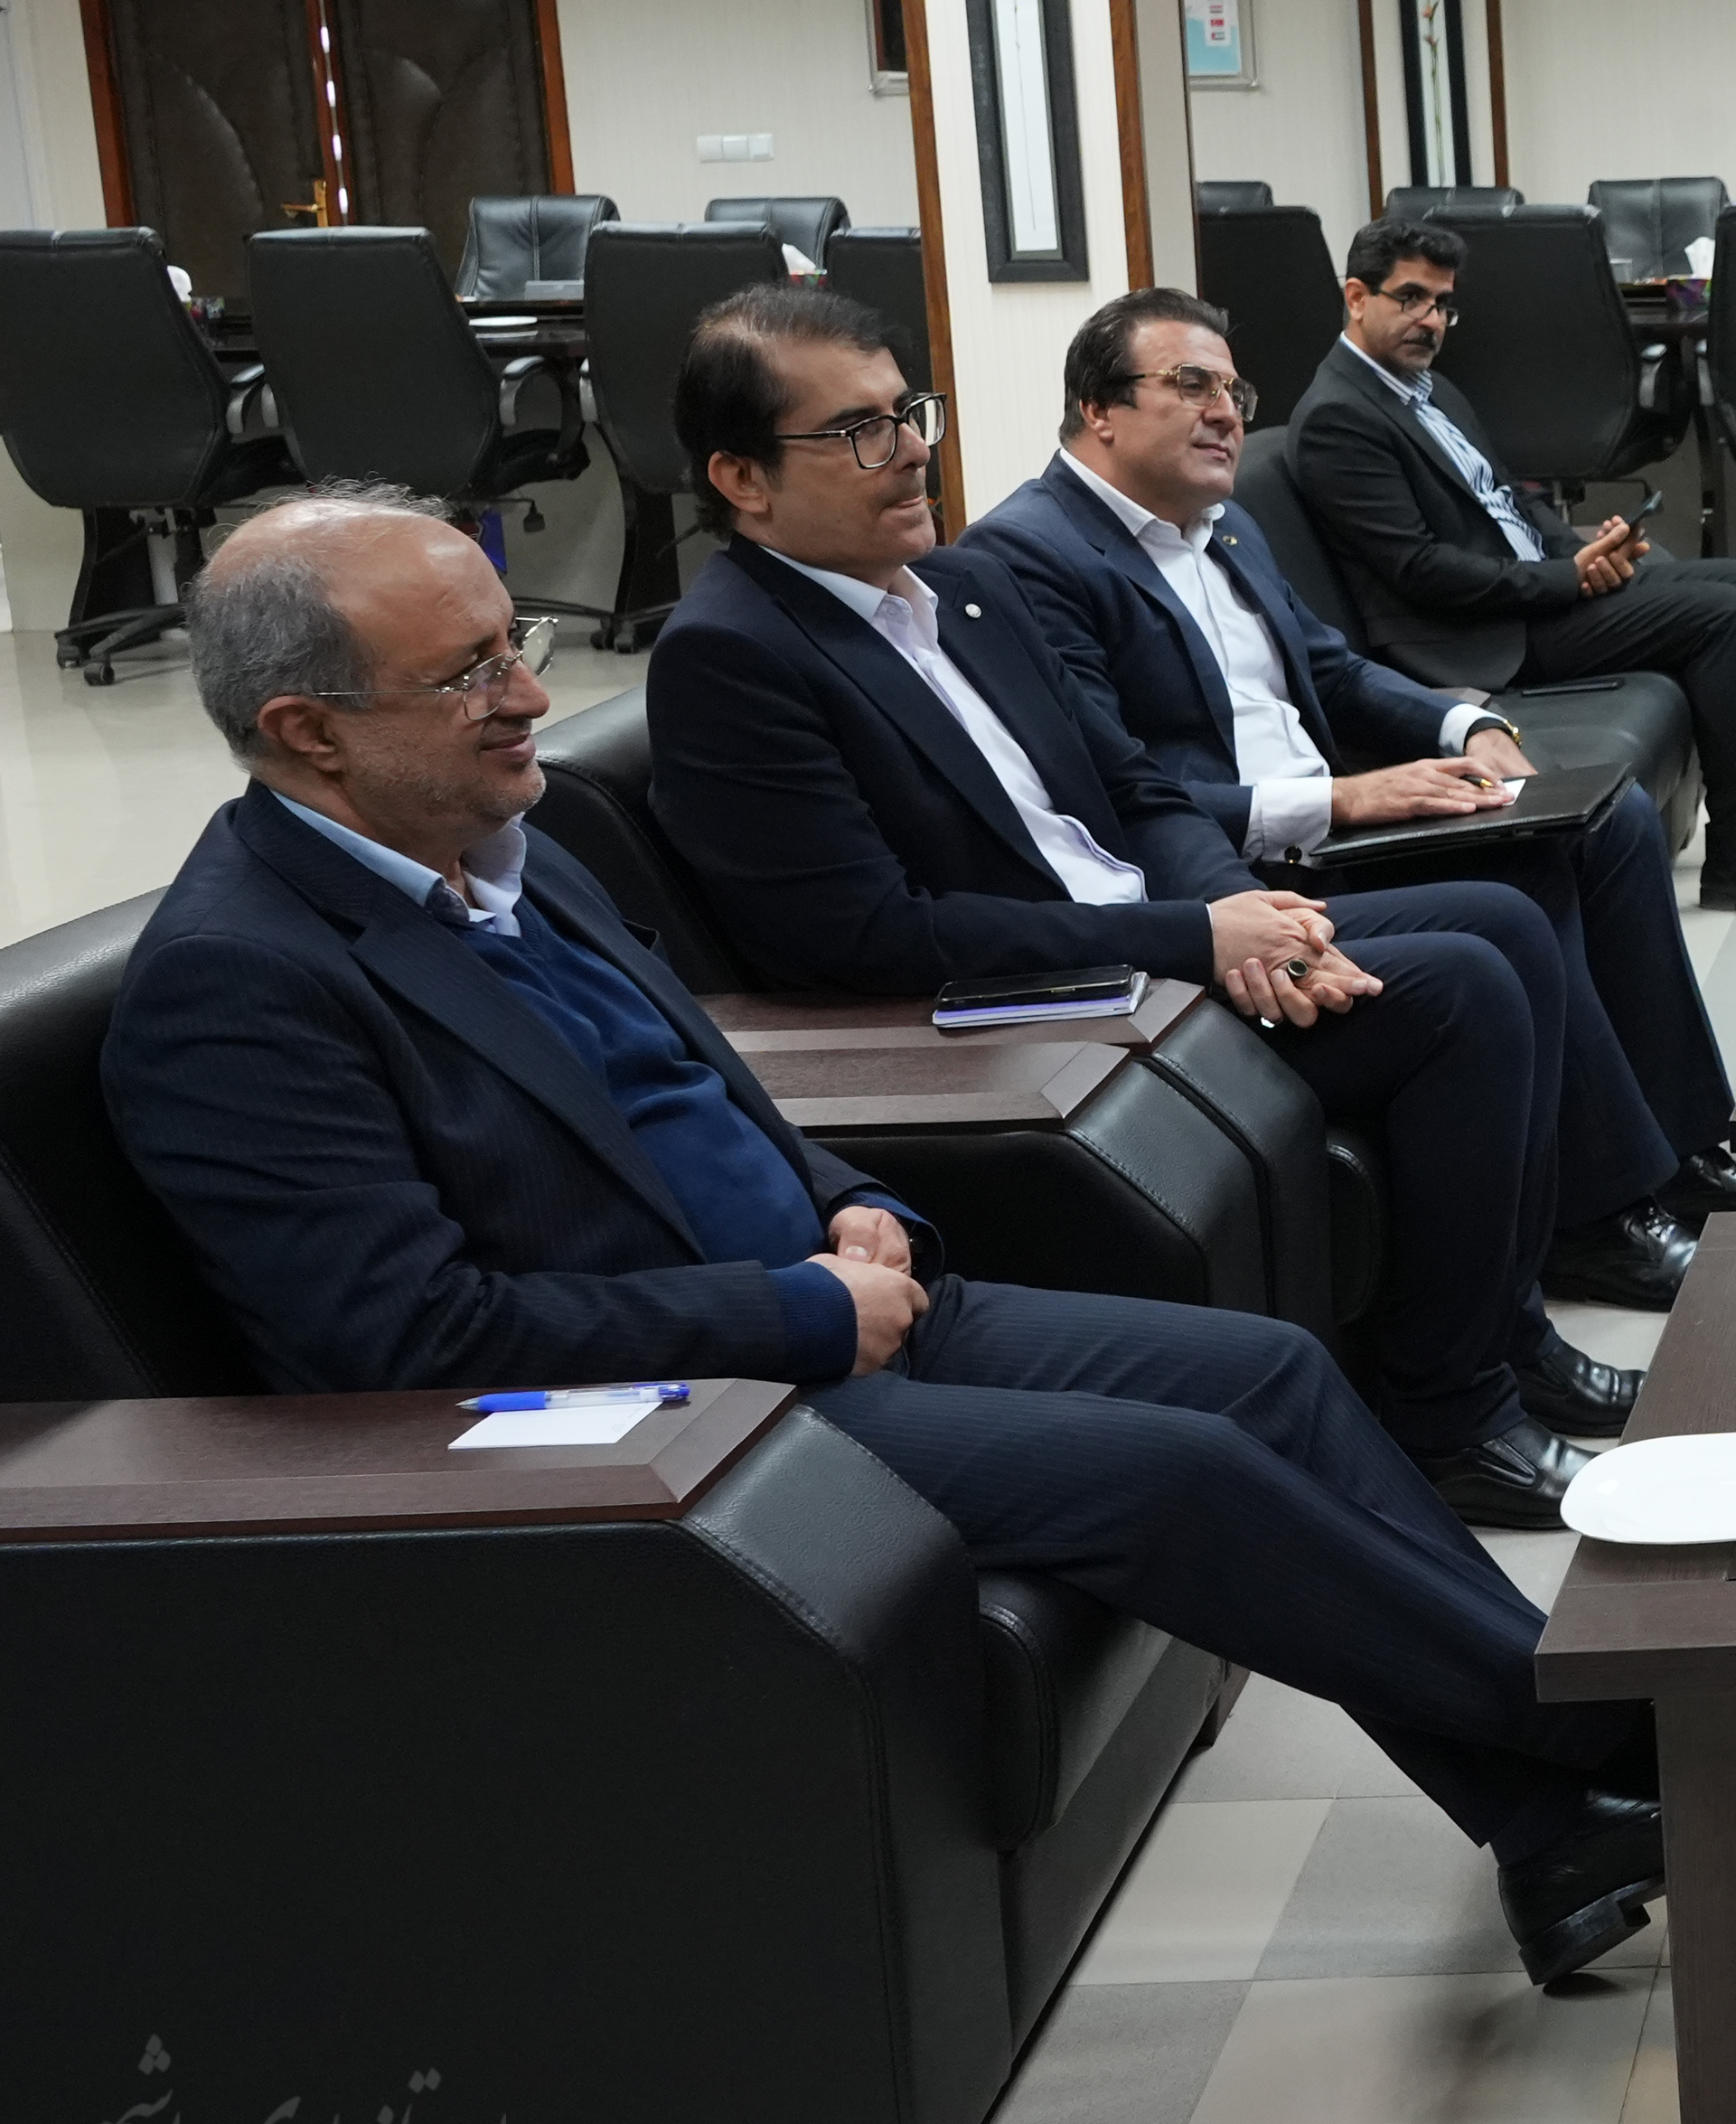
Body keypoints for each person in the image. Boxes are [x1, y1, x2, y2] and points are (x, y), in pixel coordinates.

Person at [99, 490, 1670, 1986]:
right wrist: (793, 1309)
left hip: (835, 1294)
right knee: (1178, 1475)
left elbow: (697, 1092)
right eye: (466, 673)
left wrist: (853, 1197)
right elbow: (401, 1341)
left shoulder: (515, 846)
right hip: (681, 1412)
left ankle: (1557, 1825)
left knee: (1267, 1375)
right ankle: (1641, 1745)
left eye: (517, 643)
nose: (527, 694)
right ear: (309, 731)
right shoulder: (239, 985)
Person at [639, 286, 1621, 1527]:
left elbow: (1137, 789)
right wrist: (1195, 936)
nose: (915, 452)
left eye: (911, 414)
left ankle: (1507, 1333)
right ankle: (1451, 1414)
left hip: (1156, 933)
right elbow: (867, 936)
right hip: (1045, 1003)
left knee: (1503, 921)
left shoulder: (961, 588)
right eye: (860, 433)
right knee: (1463, 984)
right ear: (742, 478)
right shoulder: (731, 655)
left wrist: (1245, 912)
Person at [971, 289, 1736, 1284]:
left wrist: (1468, 725)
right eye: (1192, 385)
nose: (1226, 412)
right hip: (1242, 869)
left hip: (1328, 822)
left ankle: (1690, 1149)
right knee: (1525, 884)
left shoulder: (1220, 524)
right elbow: (1115, 796)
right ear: (1097, 409)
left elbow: (1330, 668)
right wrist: (1346, 799)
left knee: (1606, 817)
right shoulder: (1028, 557)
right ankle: (1598, 1219)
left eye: (1234, 391)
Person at [1282, 217, 1736, 917]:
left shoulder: (1428, 390)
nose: (1431, 321)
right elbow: (1420, 570)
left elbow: (1509, 498)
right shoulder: (1338, 417)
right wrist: (1568, 579)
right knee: (1723, 616)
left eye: (1443, 305)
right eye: (1411, 298)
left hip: (1529, 595)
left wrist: (1579, 552)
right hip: (1475, 636)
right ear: (1357, 297)